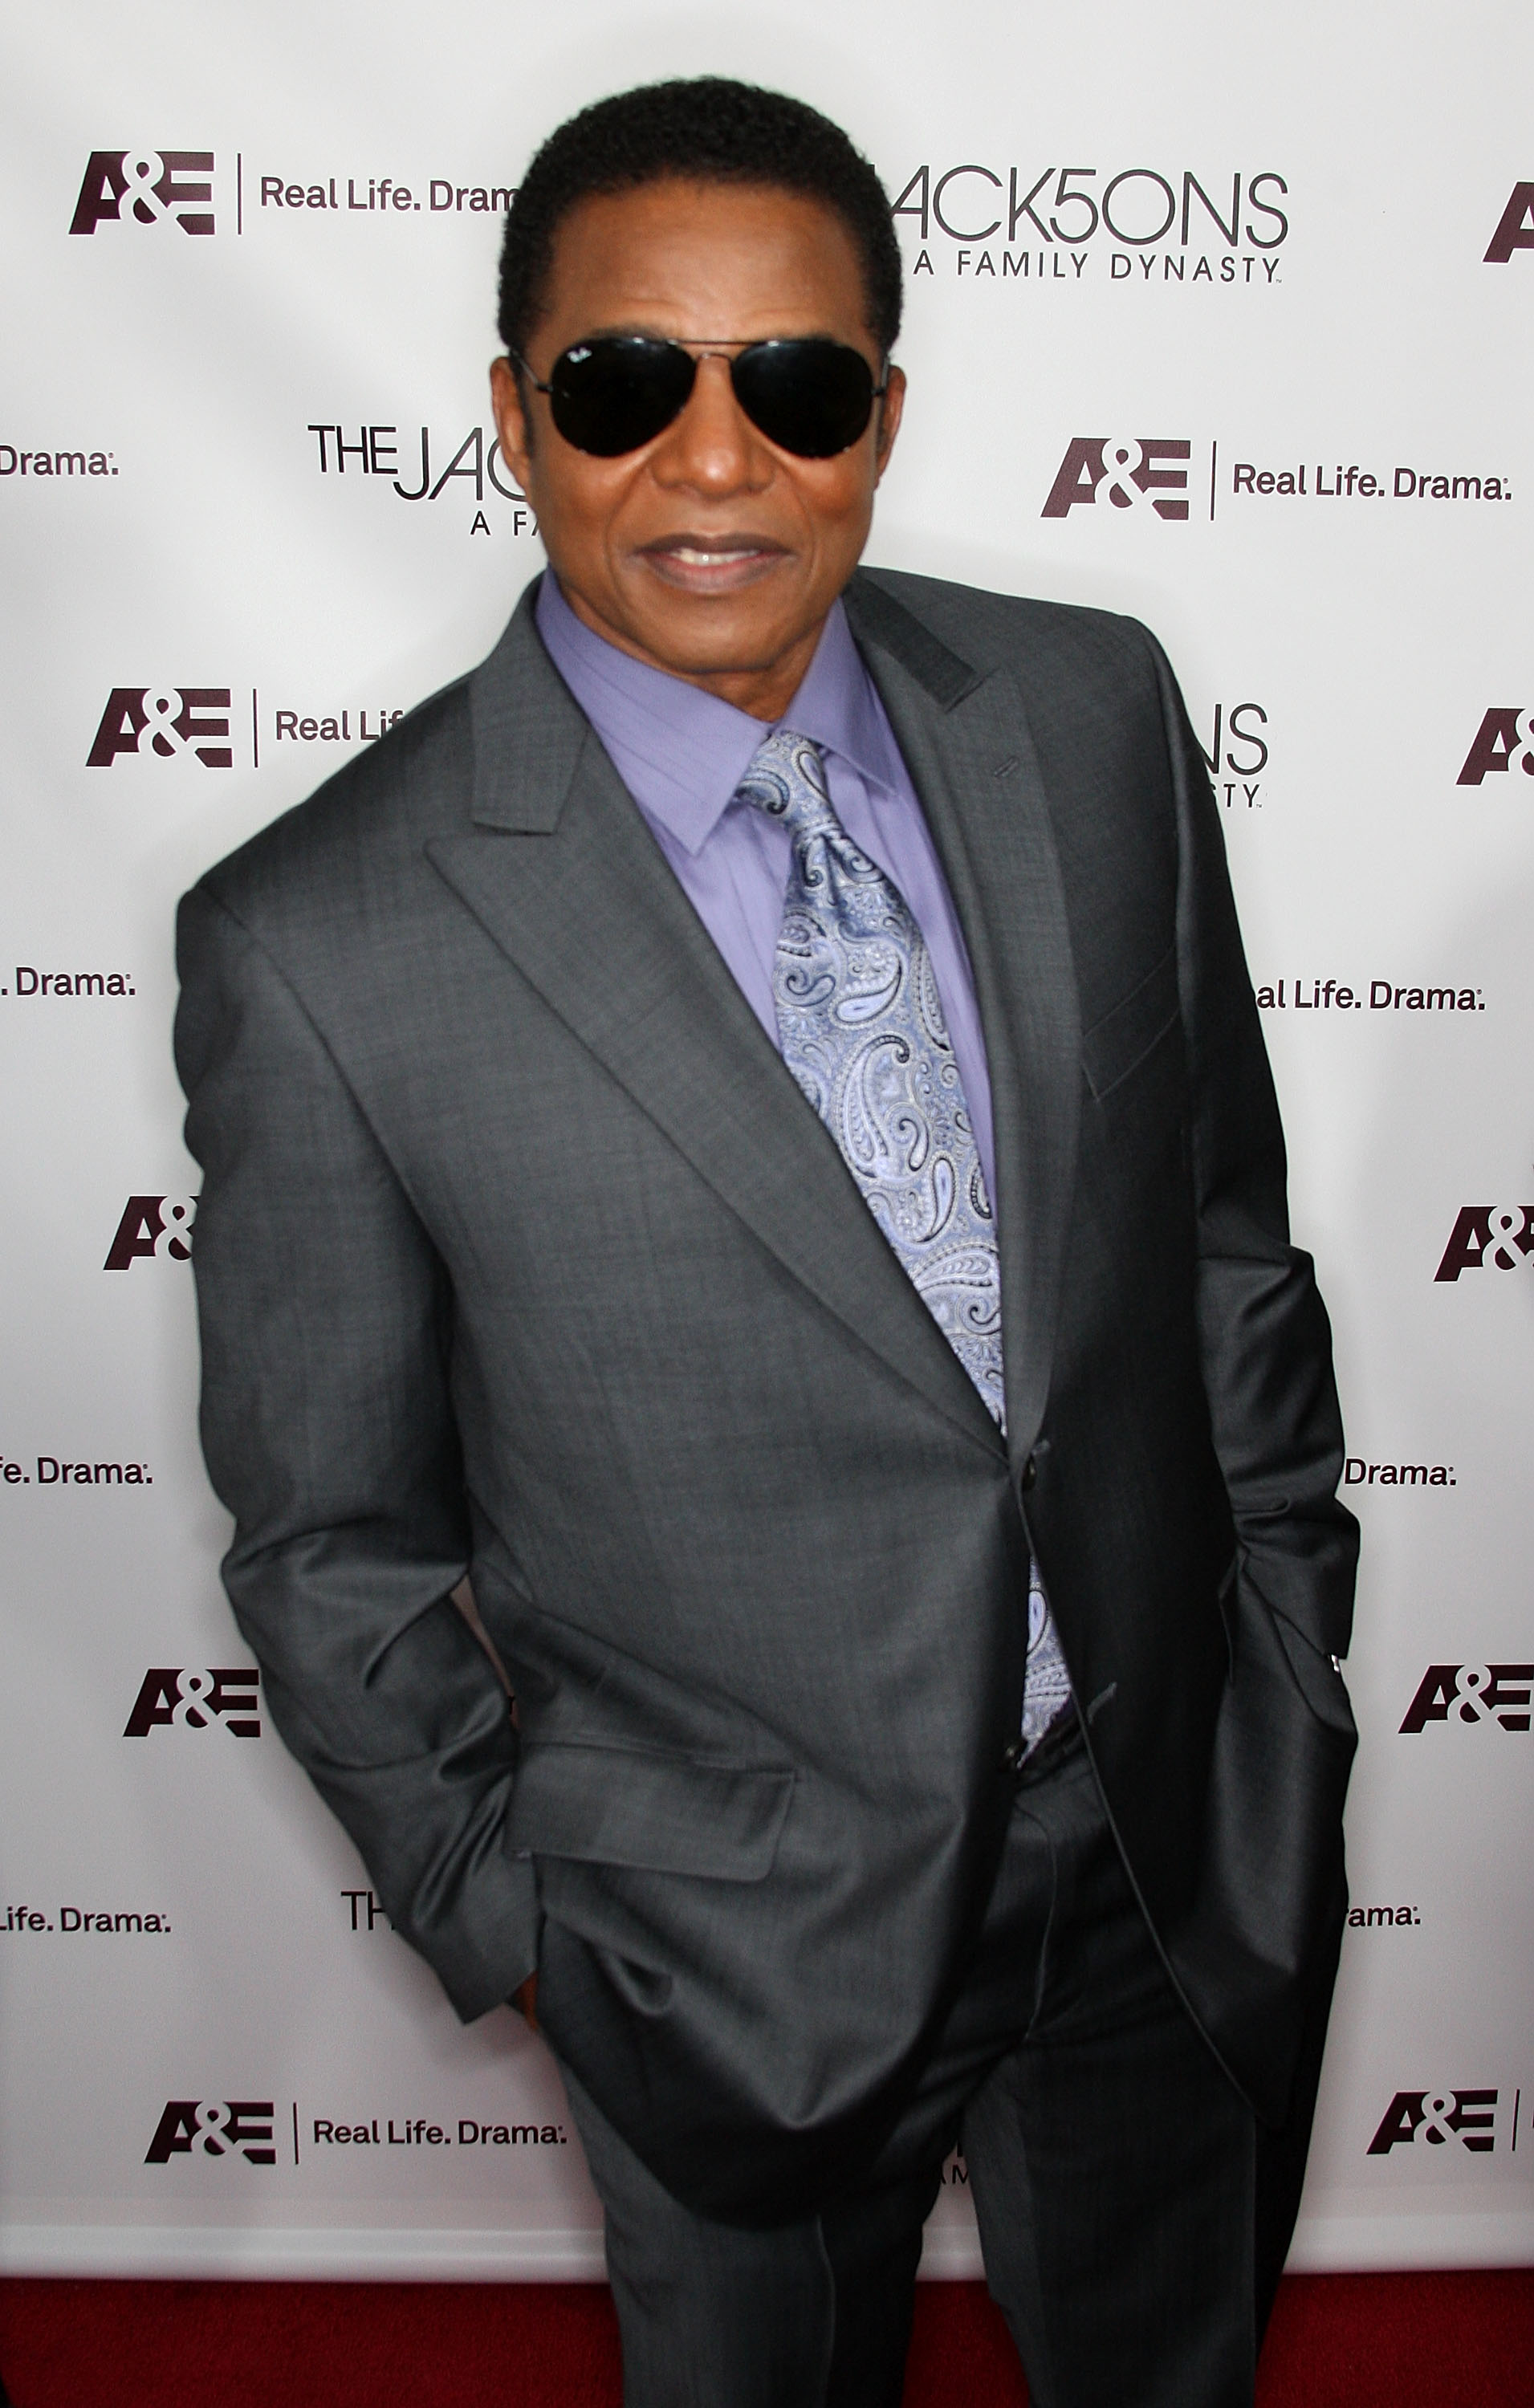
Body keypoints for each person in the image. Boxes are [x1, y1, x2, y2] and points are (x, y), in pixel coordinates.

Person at [175, 78, 1359, 2408]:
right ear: (515, 413)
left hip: (1160, 1836)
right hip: (722, 1958)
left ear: (884, 418)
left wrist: (1282, 1660)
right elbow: (330, 1542)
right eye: (627, 383)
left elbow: (1222, 1232)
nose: (715, 464)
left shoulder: (1092, 711)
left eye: (794, 387)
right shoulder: (323, 940)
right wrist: (527, 1925)